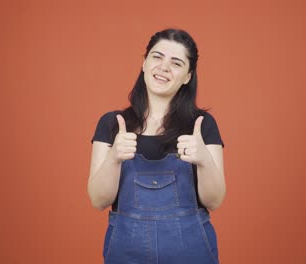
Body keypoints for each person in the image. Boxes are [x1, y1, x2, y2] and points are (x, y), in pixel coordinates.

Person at [88, 28, 226, 264]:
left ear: (187, 76)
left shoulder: (201, 126)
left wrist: (204, 160)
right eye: (157, 57)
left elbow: (214, 201)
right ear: (144, 63)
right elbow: (98, 200)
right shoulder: (112, 124)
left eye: (176, 63)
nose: (164, 67)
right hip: (127, 254)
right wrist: (113, 158)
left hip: (191, 255)